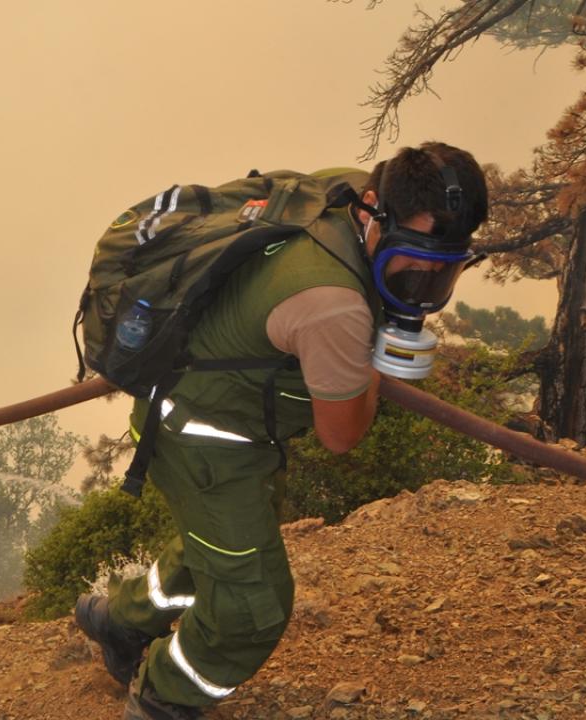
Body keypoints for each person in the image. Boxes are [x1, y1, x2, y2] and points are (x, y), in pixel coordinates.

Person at [74, 143, 489, 719]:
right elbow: (341, 436)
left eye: (445, 265)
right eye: (416, 257)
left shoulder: (342, 193)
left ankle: (117, 623)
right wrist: (376, 359)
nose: (425, 279)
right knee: (250, 608)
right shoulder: (335, 309)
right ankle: (162, 702)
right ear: (374, 212)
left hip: (203, 411)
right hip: (205, 440)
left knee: (222, 550)